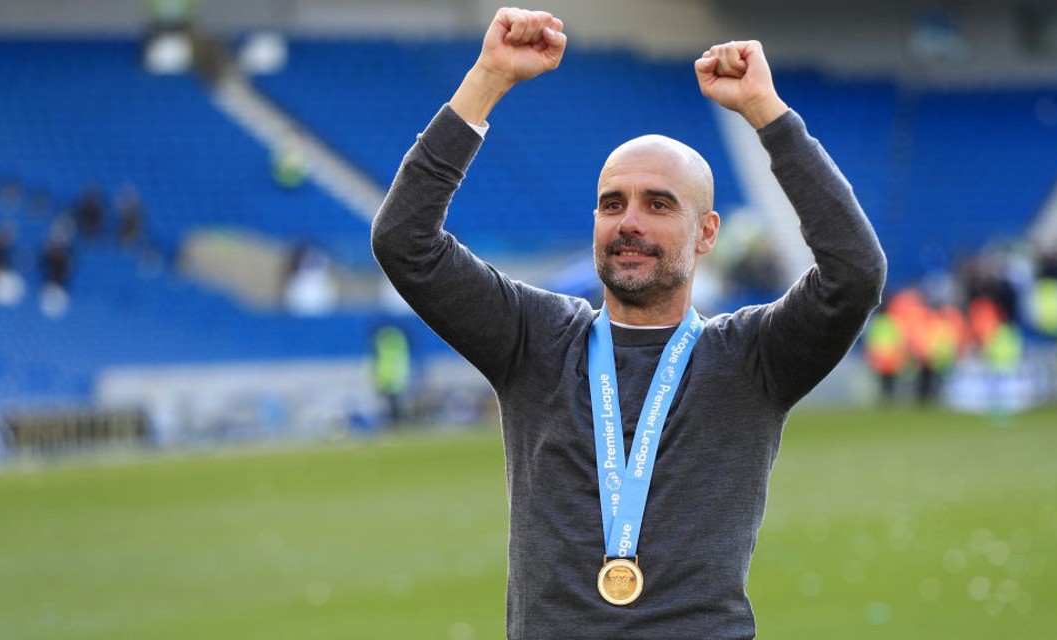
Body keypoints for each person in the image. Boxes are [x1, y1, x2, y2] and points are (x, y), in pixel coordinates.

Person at [371, 8, 886, 638]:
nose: (629, 222)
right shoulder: (534, 340)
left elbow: (854, 274)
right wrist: (487, 79)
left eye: (658, 205)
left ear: (706, 234)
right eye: (612, 204)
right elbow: (405, 241)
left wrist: (769, 116)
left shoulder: (751, 358)